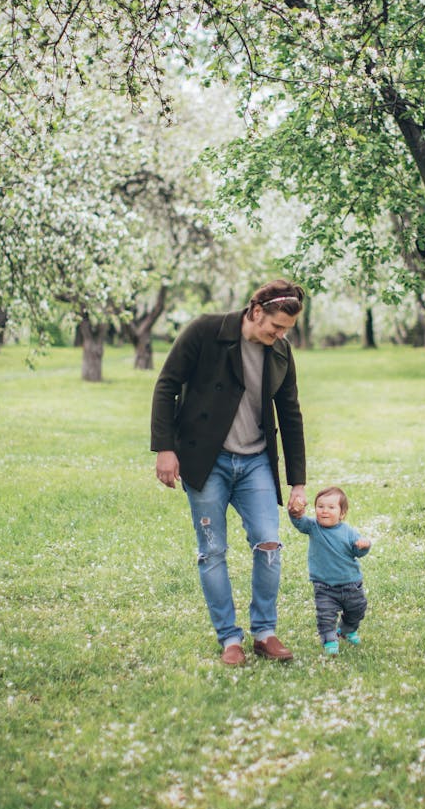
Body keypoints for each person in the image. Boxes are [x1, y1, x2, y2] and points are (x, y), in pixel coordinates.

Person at [151, 280, 307, 666]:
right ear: (256, 312)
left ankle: (265, 632)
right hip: (207, 461)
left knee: (269, 544)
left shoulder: (280, 353)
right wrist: (165, 448)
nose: (280, 334)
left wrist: (298, 482)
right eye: (276, 327)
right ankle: (229, 638)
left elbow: (290, 415)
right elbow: (166, 385)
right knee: (212, 551)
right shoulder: (206, 331)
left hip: (256, 462)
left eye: (287, 329)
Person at [288, 485, 371, 655]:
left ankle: (347, 630)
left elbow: (358, 551)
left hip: (351, 584)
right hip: (324, 586)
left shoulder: (348, 532)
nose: (324, 511)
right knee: (325, 616)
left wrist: (363, 546)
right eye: (320, 507)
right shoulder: (313, 526)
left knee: (358, 609)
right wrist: (295, 511)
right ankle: (329, 639)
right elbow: (299, 522)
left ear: (342, 513)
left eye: (331, 507)